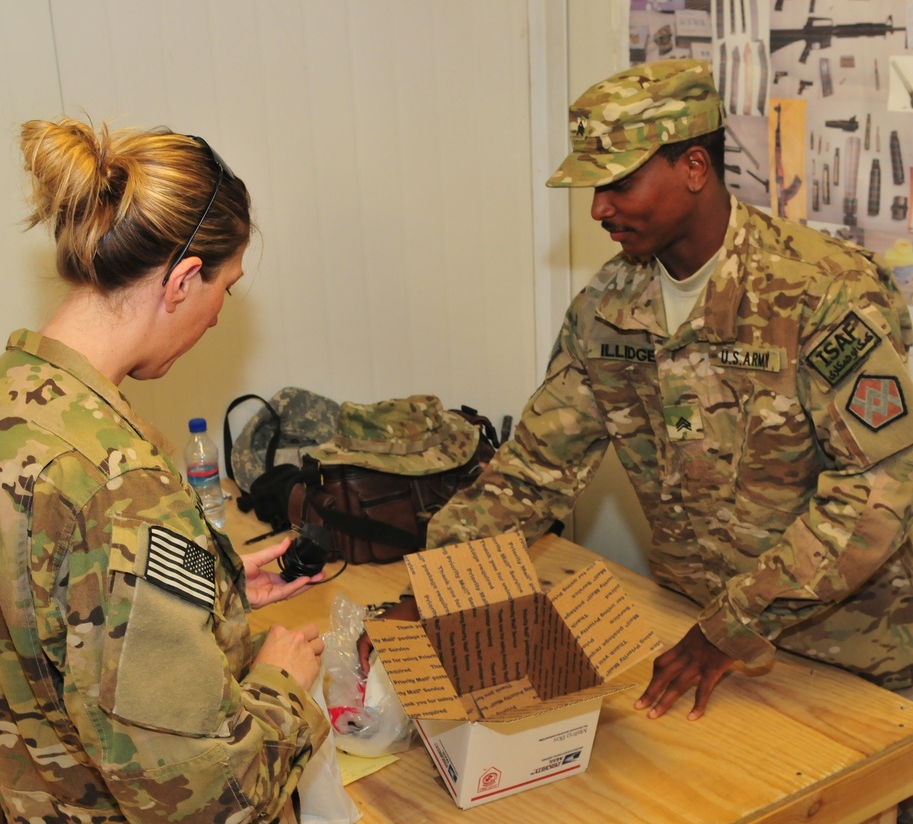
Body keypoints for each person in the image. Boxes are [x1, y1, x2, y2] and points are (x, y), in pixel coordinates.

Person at [363, 58, 913, 723]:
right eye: (594, 187)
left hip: (851, 657)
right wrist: (440, 584)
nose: (598, 209)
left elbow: (878, 491)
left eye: (618, 183)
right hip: (695, 635)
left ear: (692, 168)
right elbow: (536, 468)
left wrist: (733, 624)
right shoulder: (610, 305)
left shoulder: (823, 291)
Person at [0, 118, 329, 822]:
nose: (218, 320)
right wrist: (281, 686)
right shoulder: (118, 484)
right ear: (184, 279)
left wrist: (220, 592)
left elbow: (55, 624)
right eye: (225, 290)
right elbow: (205, 801)